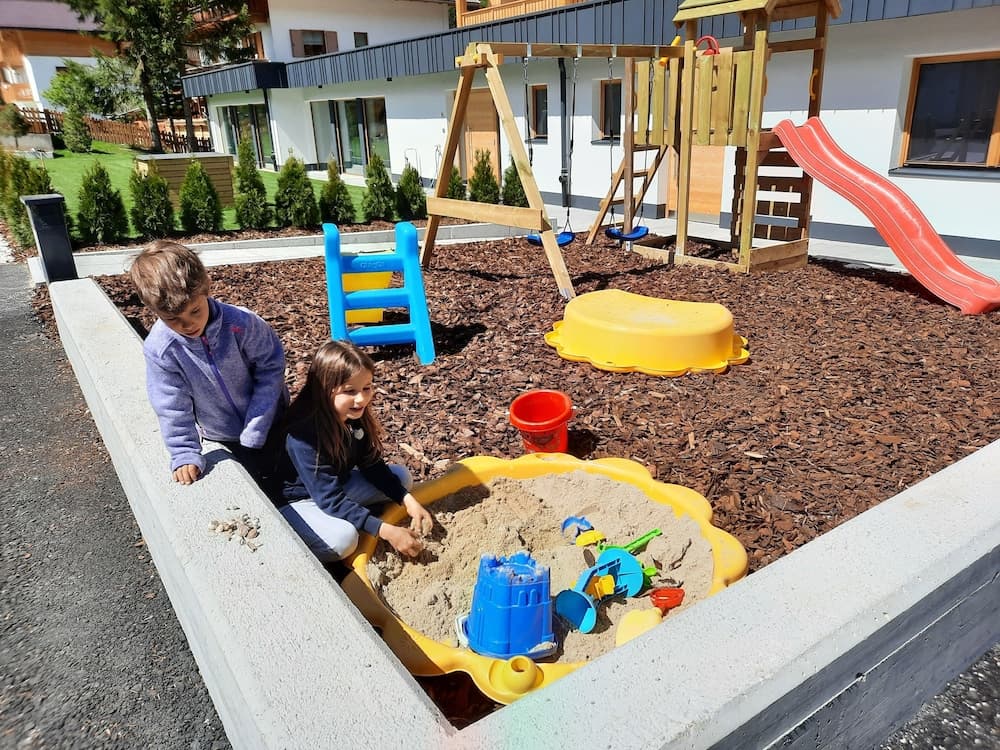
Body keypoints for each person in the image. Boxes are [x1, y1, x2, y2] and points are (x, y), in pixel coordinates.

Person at [129, 240, 288, 489]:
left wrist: (258, 423)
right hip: (222, 434)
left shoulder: (242, 324)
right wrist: (184, 452)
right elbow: (171, 404)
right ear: (153, 309)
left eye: (195, 311)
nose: (188, 325)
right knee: (257, 488)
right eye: (172, 319)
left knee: (290, 480)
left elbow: (270, 368)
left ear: (206, 288)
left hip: (272, 420)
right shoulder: (162, 349)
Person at [280, 340, 433, 561]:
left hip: (334, 486)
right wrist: (386, 531)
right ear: (324, 390)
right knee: (344, 540)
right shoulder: (303, 435)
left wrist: (408, 501)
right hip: (299, 502)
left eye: (367, 388)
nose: (361, 398)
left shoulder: (351, 415)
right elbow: (331, 500)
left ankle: (354, 518)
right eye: (350, 391)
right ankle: (301, 541)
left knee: (402, 478)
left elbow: (371, 464)